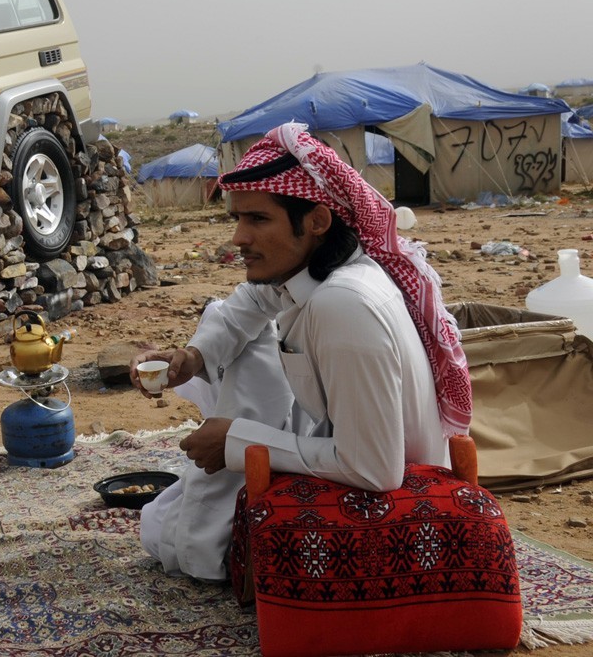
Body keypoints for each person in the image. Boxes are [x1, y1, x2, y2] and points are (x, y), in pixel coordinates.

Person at [131, 122, 472, 581]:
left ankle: (209, 544)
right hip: (362, 461)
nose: (238, 238)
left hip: (393, 506)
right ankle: (207, 535)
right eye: (237, 219)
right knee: (247, 342)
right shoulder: (316, 277)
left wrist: (237, 441)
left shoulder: (342, 304)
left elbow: (375, 471)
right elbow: (251, 302)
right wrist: (193, 357)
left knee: (171, 526)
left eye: (258, 219)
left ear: (316, 221)